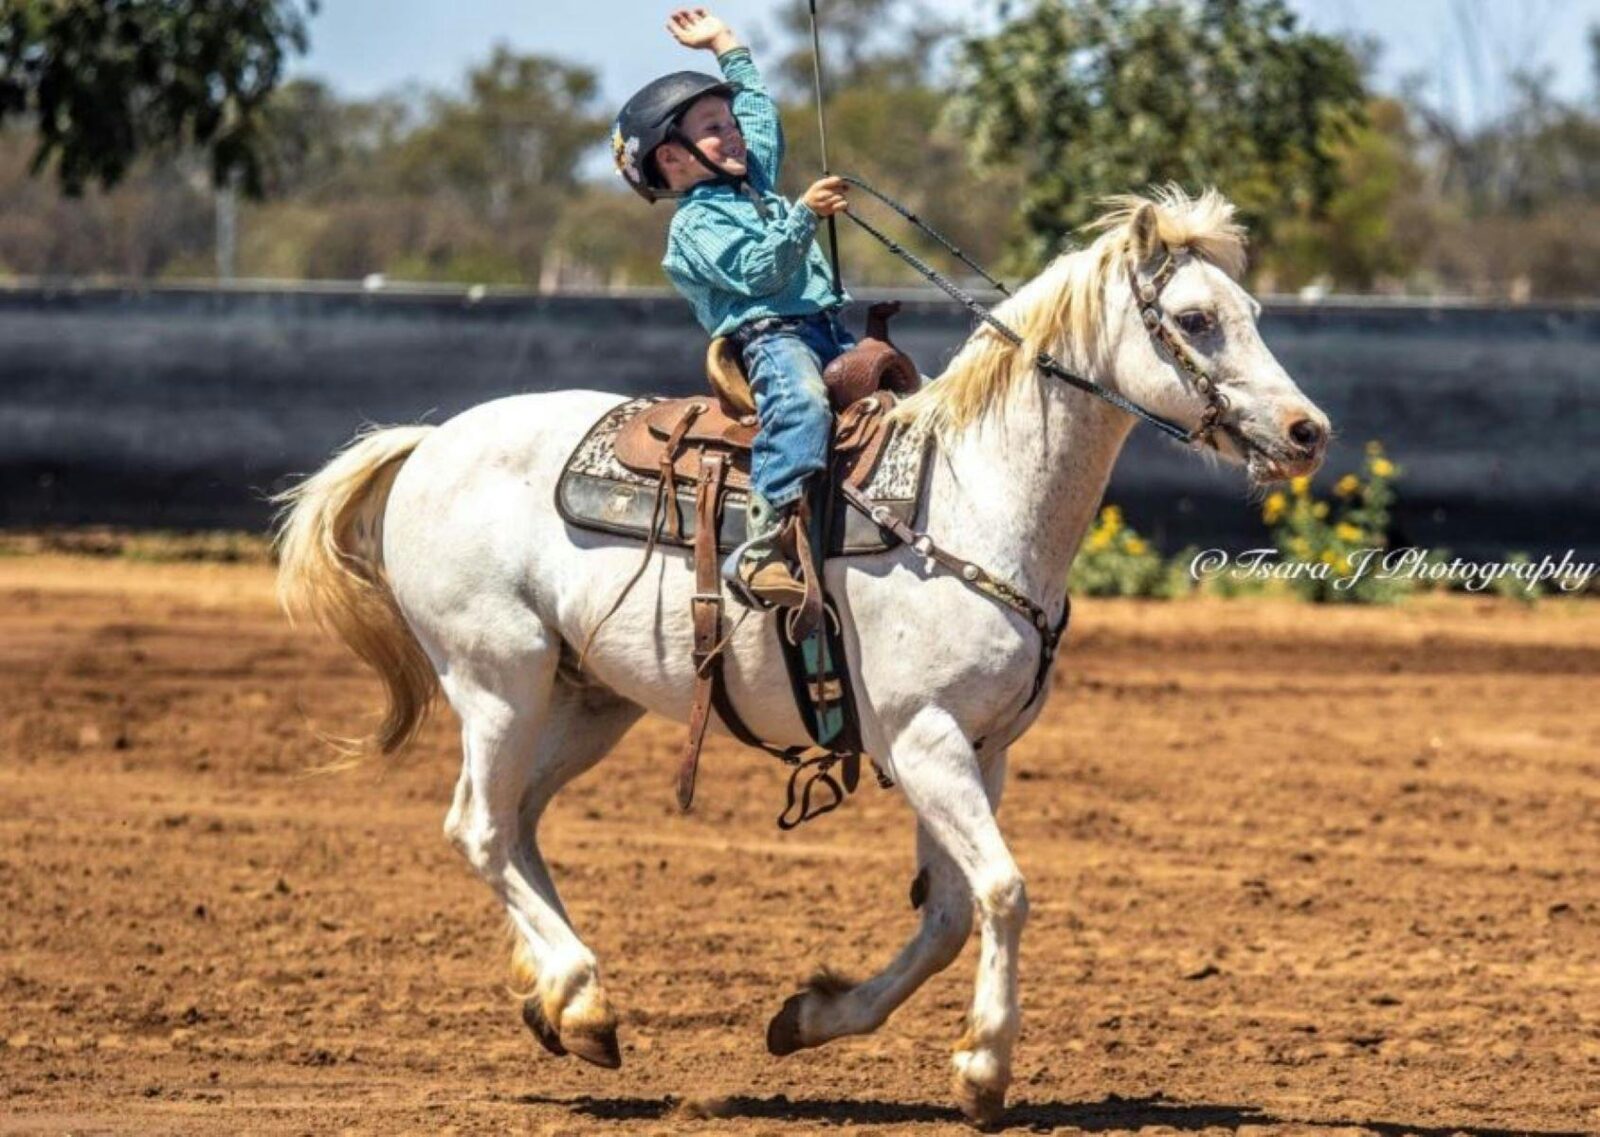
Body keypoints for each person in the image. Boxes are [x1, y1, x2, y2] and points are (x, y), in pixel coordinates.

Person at [611, 6, 852, 610]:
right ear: (673, 158)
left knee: (911, 393)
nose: (734, 133)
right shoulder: (694, 225)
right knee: (801, 406)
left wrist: (726, 44)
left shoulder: (752, 179)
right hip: (772, 342)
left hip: (827, 329)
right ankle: (765, 546)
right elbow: (760, 274)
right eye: (714, 128)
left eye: (728, 122)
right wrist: (806, 216)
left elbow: (758, 114)